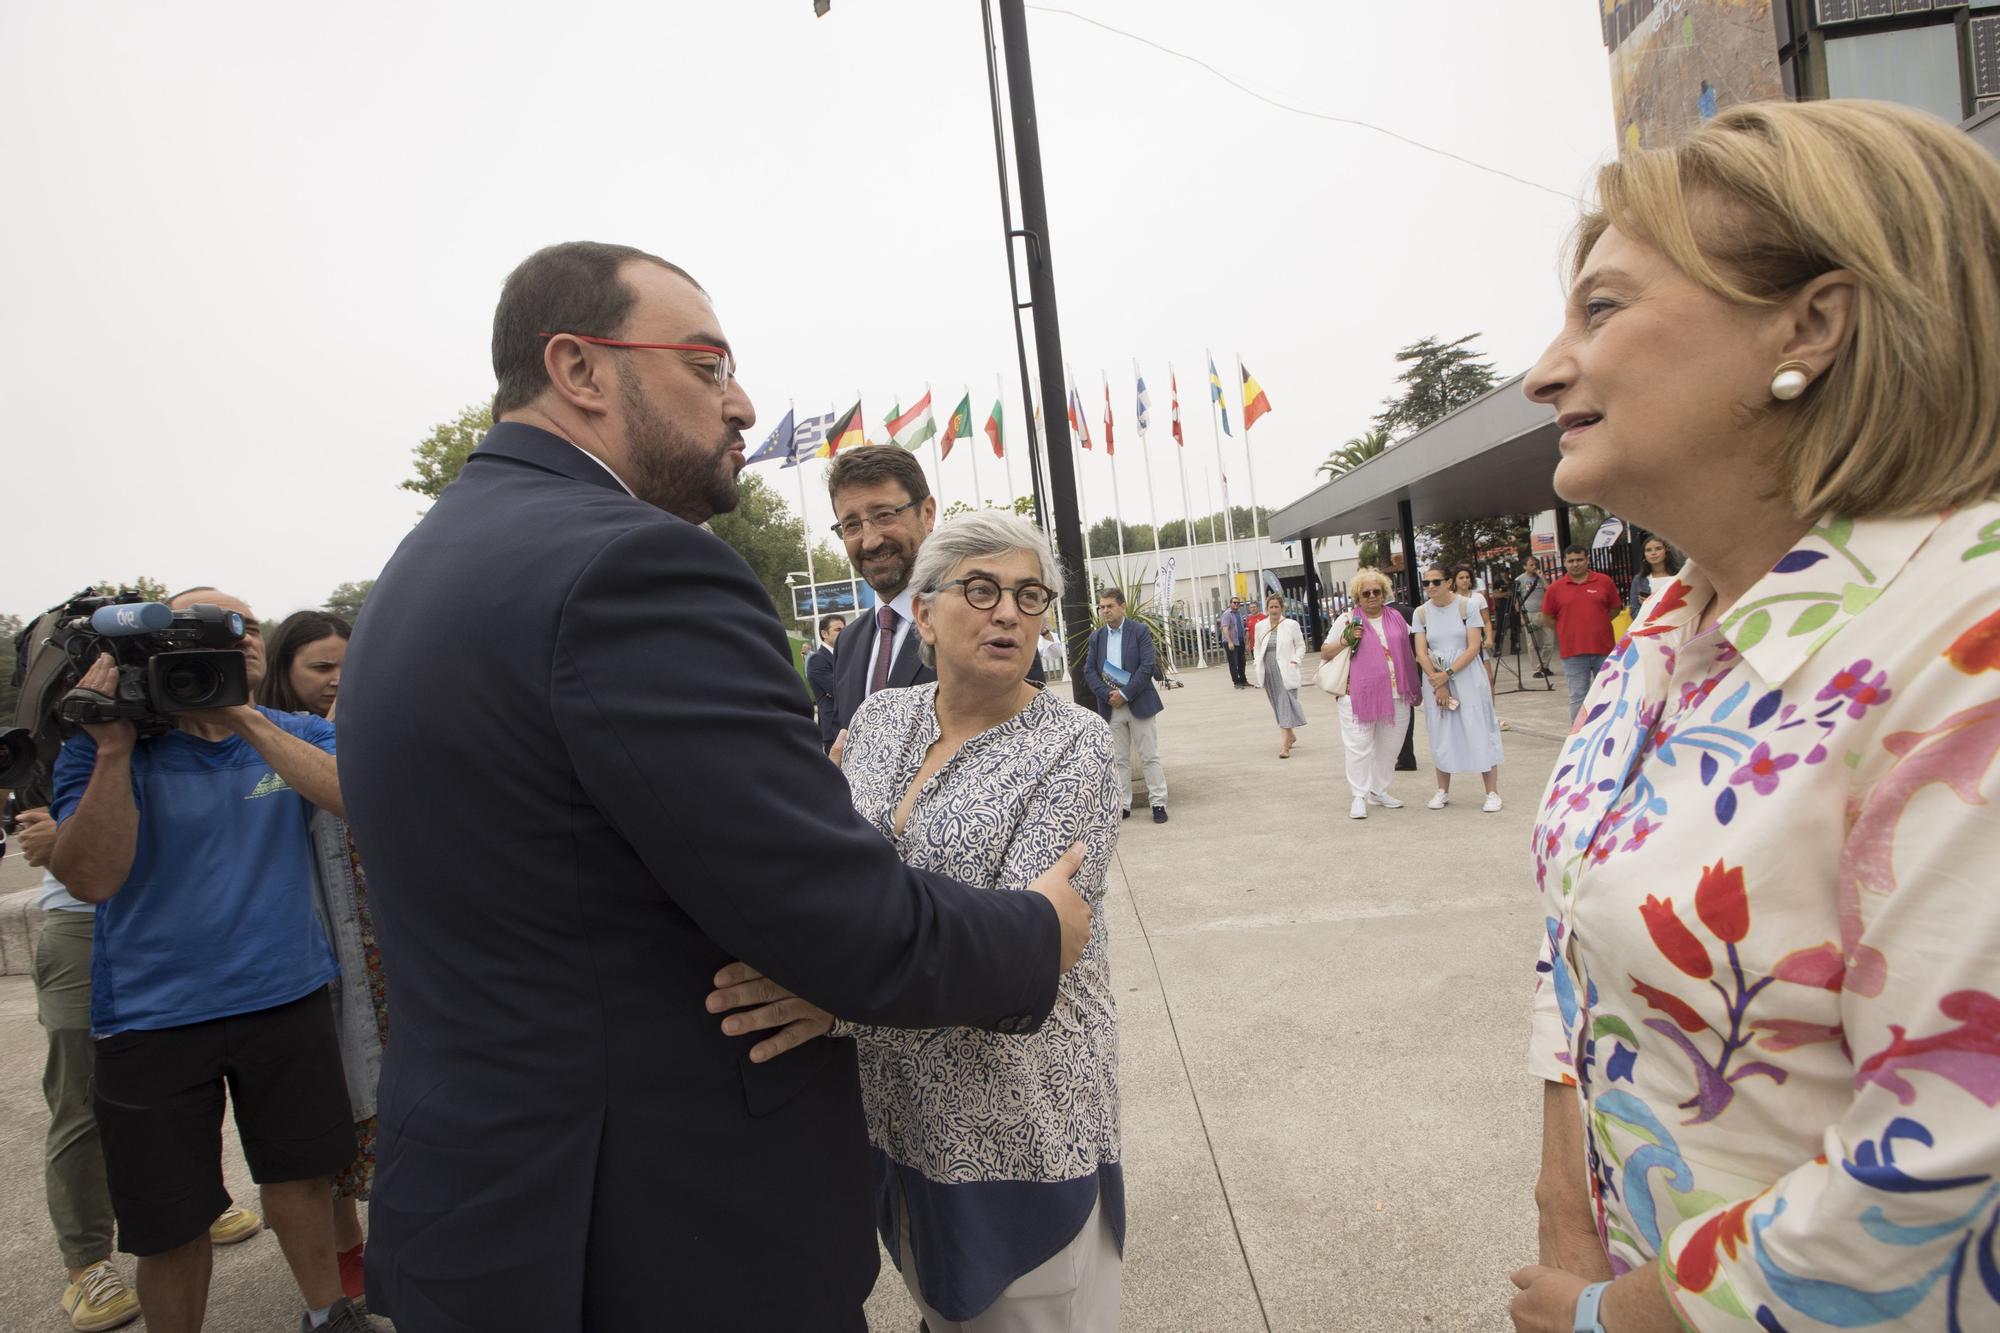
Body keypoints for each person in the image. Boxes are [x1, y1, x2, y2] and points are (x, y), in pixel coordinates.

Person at [335, 241, 1092, 1332]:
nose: (740, 404)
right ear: (580, 368)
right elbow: (849, 928)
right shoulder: (631, 569)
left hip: (488, 1218)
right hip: (659, 1237)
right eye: (704, 365)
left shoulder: (425, 564)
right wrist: (1038, 931)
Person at [1510, 100, 2000, 1333]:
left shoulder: (1966, 641)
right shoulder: (1666, 630)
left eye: (1602, 308)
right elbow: (1570, 940)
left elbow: (1952, 1161)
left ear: (1811, 322)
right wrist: (1564, 1212)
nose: (1542, 369)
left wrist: (1617, 1318)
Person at [709, 513, 1125, 1331]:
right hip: (893, 1120)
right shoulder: (877, 722)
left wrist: (833, 1001)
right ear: (925, 613)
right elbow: (829, 886)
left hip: (1020, 1125)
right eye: (980, 589)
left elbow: (1020, 946)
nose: (1007, 612)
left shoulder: (1074, 745)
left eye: (1028, 595)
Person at [47, 588, 365, 1333]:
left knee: (301, 1177)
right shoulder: (96, 751)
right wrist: (115, 750)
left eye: (246, 628)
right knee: (171, 1216)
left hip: (285, 994)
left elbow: (353, 795)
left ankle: (328, 1314)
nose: (236, 641)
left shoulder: (282, 731)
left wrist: (243, 718)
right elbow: (91, 878)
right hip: (152, 1017)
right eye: (208, 632)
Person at [255, 610, 380, 1309]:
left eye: (344, 663)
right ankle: (343, 1241)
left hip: (373, 933)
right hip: (312, 935)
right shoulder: (264, 738)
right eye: (320, 667)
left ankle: (371, 1232)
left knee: (375, 1088)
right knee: (329, 1097)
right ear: (287, 672)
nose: (336, 678)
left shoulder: (373, 722)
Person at [825, 446, 1040, 757]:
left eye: (884, 515)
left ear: (927, 513)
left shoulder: (988, 624)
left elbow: (1024, 747)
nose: (870, 540)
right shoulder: (848, 643)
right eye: (852, 525)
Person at [1318, 567, 1421, 819]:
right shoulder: (1346, 620)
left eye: (1377, 591)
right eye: (1366, 593)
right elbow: (1325, 652)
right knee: (1359, 747)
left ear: (1385, 593)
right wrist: (1345, 640)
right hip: (1358, 696)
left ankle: (1379, 790)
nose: (1373, 596)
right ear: (1358, 596)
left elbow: (1418, 645)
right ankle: (1358, 796)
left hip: (1397, 693)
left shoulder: (1397, 618)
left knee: (1390, 747)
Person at [1413, 566, 1503, 812]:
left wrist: (1448, 674)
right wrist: (1436, 680)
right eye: (1426, 583)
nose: (1431, 586)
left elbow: (1474, 647)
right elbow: (1421, 651)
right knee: (1441, 731)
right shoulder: (1421, 613)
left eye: (1436, 581)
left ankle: (1492, 792)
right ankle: (1442, 790)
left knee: (1479, 727)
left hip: (1466, 676)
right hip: (1435, 678)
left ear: (1449, 582)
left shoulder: (1467, 606)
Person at [1084, 586, 1169, 823]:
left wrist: (1125, 693)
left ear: (1122, 606)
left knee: (1149, 756)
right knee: (1119, 759)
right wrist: (1107, 694)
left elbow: (1147, 666)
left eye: (1110, 606)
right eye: (1101, 607)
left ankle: (1159, 803)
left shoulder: (1139, 631)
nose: (1105, 611)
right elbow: (1089, 671)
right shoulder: (1097, 637)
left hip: (1138, 703)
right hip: (1111, 706)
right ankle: (1123, 805)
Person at [1540, 545, 1620, 723]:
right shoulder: (1555, 589)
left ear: (1587, 560)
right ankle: (1578, 738)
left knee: (1608, 693)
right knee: (1578, 696)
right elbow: (1547, 619)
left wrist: (1596, 623)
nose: (1575, 564)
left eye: (1579, 560)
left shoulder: (1604, 581)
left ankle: (1606, 732)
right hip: (1573, 653)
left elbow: (1614, 609)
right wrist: (1567, 628)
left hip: (1604, 650)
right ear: (1564, 563)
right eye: (1571, 561)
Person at [1249, 592, 1307, 759]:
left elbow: (1301, 646)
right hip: (1269, 669)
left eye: (1276, 607)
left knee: (1284, 703)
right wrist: (1257, 662)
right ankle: (1291, 735)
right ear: (1267, 609)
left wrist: (1296, 660)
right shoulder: (1261, 626)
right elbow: (1257, 647)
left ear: (1282, 608)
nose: (1274, 610)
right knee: (1277, 704)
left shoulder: (1291, 625)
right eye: (1271, 607)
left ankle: (1284, 746)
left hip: (1286, 669)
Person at [1512, 548, 1555, 679]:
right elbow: (1517, 600)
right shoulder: (1519, 580)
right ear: (1525, 566)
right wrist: (1520, 616)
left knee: (1549, 641)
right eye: (1531, 565)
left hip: (1543, 614)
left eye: (1535, 564)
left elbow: (1549, 590)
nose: (1534, 567)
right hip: (1529, 614)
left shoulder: (1540, 578)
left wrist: (1542, 576)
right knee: (1533, 643)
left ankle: (1545, 665)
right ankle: (1536, 668)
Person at [806, 614, 845, 753]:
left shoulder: (843, 656)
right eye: (838, 630)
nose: (843, 633)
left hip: (847, 725)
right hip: (833, 728)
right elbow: (839, 690)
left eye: (844, 629)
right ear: (824, 634)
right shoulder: (817, 659)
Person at [1626, 535, 1681, 617]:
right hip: (1651, 628)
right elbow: (1634, 613)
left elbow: (1686, 607)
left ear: (1666, 551)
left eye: (1658, 549)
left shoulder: (1680, 576)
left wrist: (1652, 604)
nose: (1653, 553)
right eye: (1648, 550)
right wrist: (1647, 607)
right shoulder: (1639, 580)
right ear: (1644, 555)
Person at [1218, 598, 1248, 688]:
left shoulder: (1238, 613)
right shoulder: (1227, 614)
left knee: (1242, 662)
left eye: (1238, 603)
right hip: (1231, 642)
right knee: (1233, 663)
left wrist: (1245, 642)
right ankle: (1236, 682)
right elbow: (1225, 628)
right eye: (1234, 602)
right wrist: (1230, 642)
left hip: (1240, 641)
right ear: (1230, 603)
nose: (1236, 604)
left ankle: (1243, 680)